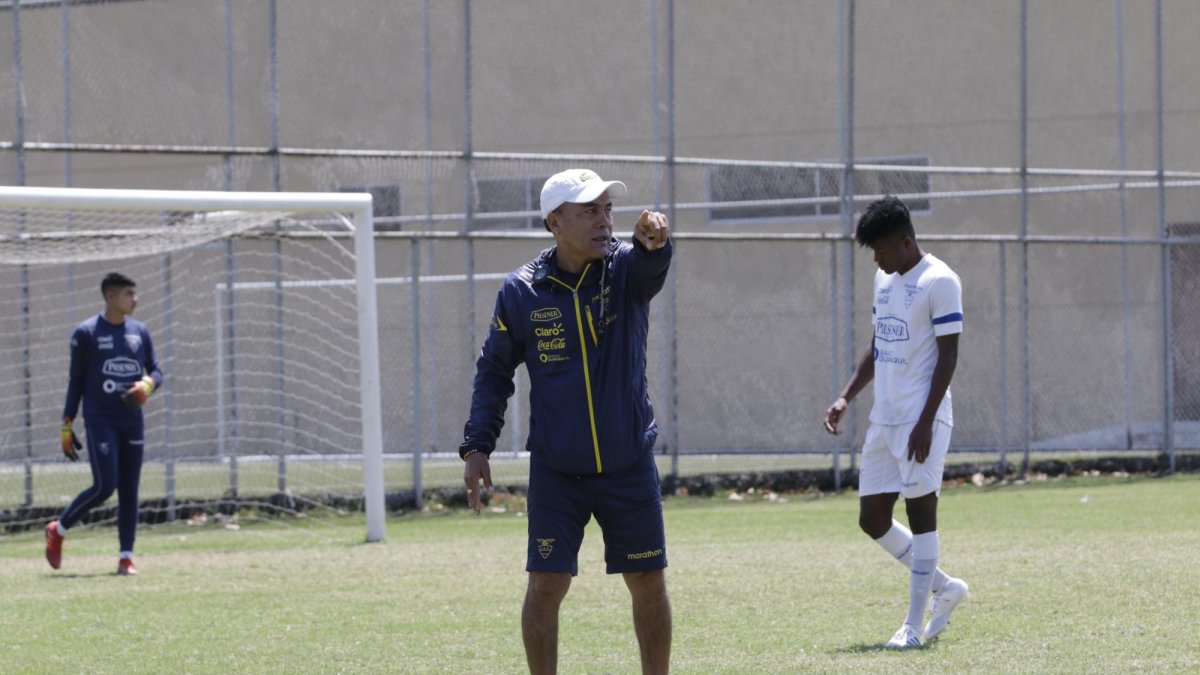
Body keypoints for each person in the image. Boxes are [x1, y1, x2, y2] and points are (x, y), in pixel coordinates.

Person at [461, 169, 673, 674]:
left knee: (648, 581)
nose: (604, 222)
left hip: (629, 463)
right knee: (546, 583)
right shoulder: (521, 292)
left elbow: (652, 270)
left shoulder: (625, 268)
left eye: (607, 210)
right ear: (555, 222)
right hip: (558, 471)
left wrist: (654, 245)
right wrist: (476, 446)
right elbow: (494, 372)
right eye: (589, 212)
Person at [823, 196, 969, 649]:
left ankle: (912, 625)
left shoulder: (940, 281)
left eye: (882, 250)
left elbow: (949, 356)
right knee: (872, 518)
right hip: (884, 420)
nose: (878, 259)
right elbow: (878, 344)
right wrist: (847, 395)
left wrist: (925, 421)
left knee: (921, 515)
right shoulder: (883, 280)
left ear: (907, 241)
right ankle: (946, 587)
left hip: (921, 420)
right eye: (873, 254)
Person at [45, 272, 163, 576]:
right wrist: (66, 425)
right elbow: (76, 382)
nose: (135, 300)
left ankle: (126, 557)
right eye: (129, 294)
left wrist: (147, 385)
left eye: (135, 294)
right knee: (105, 485)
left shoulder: (140, 332)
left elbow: (158, 371)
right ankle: (58, 529)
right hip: (100, 419)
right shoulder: (86, 333)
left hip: (132, 421)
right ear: (110, 296)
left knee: (129, 489)